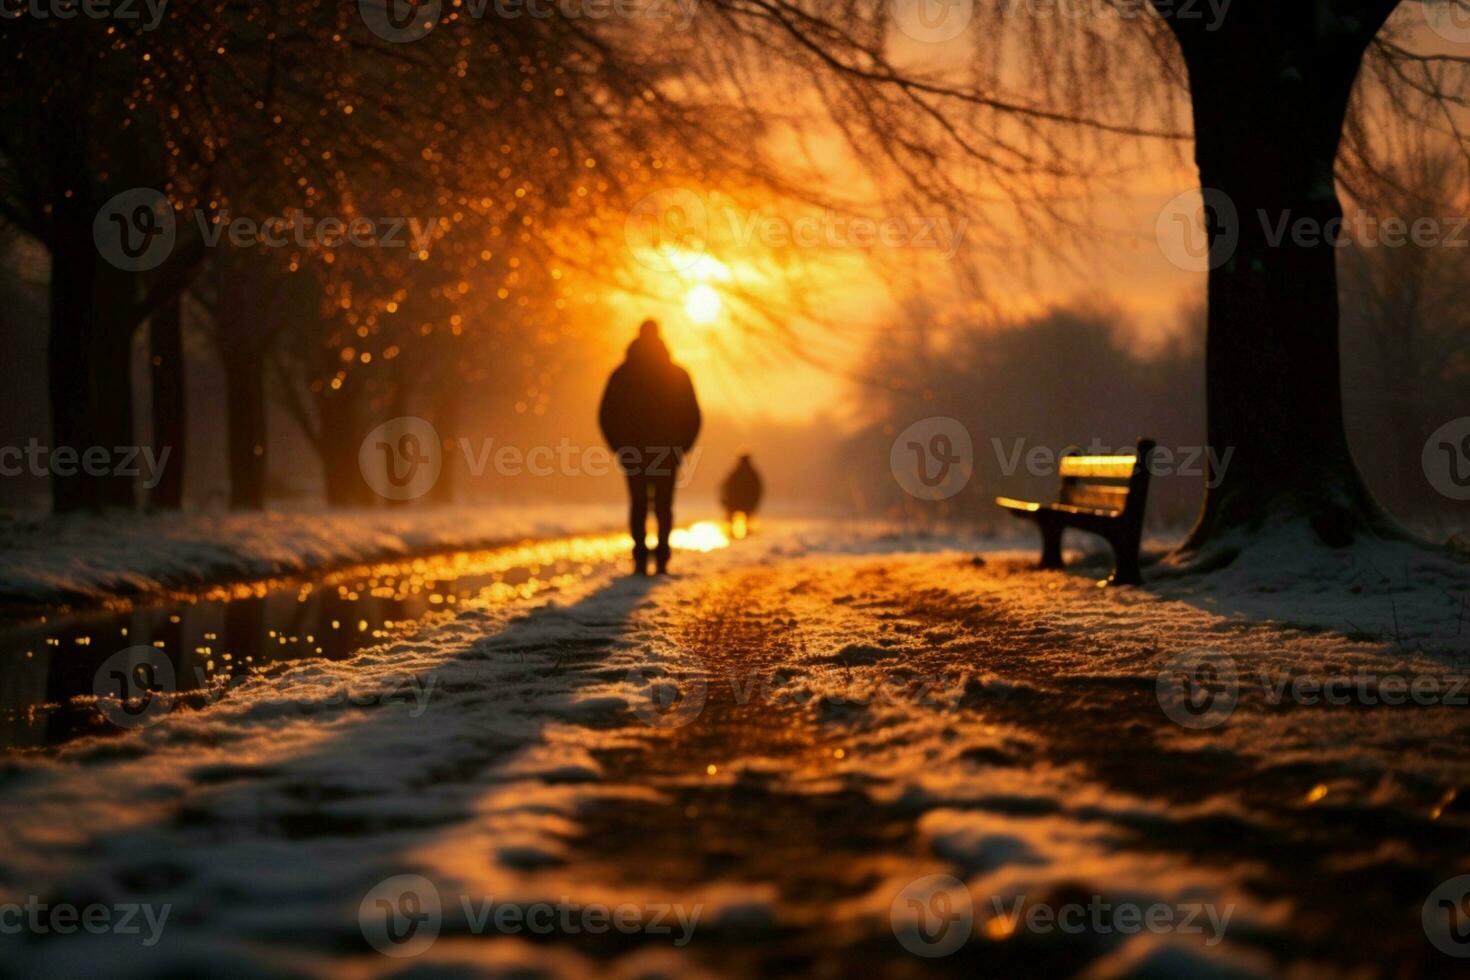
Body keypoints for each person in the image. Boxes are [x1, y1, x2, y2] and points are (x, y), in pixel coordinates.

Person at [598, 320, 701, 575]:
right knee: (664, 507)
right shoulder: (677, 374)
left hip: (635, 453)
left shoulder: (621, 374)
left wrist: (620, 448)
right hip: (667, 454)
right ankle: (662, 558)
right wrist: (681, 448)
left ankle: (641, 559)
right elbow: (693, 417)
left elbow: (605, 415)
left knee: (639, 505)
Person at [719, 454, 763, 529]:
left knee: (735, 520)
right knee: (740, 520)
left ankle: (736, 532)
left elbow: (726, 486)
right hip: (744, 502)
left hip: (737, 502)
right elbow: (758, 489)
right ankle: (736, 531)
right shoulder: (752, 473)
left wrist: (726, 500)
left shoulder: (736, 472)